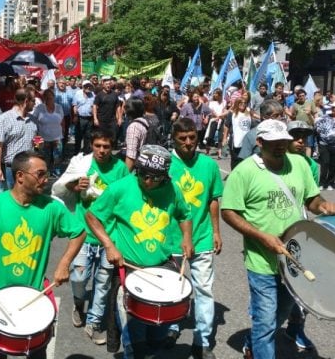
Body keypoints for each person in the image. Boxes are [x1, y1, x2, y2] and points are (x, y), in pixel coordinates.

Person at [221, 120, 335, 359]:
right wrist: (261, 236)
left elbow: (311, 201)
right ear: (260, 142)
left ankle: (252, 342)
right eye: (274, 143)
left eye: (283, 142)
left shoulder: (300, 164)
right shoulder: (244, 171)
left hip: (294, 258)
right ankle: (260, 348)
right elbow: (229, 211)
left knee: (282, 313)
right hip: (261, 261)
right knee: (265, 320)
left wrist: (323, 206)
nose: (280, 147)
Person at [0, 151, 86, 359]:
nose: (46, 179)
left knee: (37, 353)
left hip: (35, 298)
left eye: (47, 174)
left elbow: (79, 231)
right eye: (40, 174)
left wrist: (64, 263)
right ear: (20, 176)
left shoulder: (51, 207)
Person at [85, 145, 194, 359]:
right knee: (134, 338)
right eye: (143, 175)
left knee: (158, 330)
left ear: (165, 176)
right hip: (129, 268)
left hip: (162, 265)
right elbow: (92, 216)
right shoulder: (120, 188)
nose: (148, 181)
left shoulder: (172, 189)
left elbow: (185, 214)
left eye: (155, 177)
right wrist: (109, 244)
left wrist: (187, 238)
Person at [52, 129, 129, 345]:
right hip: (83, 234)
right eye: (98, 146)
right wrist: (75, 186)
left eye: (106, 146)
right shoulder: (82, 164)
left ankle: (94, 323)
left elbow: (127, 197)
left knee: (103, 283)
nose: (102, 151)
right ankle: (79, 303)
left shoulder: (121, 168)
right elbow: (61, 187)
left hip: (109, 235)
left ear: (112, 147)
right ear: (91, 146)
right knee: (78, 278)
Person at [168, 118, 223, 359]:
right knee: (172, 288)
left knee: (204, 289)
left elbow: (213, 199)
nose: (188, 143)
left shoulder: (209, 165)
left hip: (202, 237)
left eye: (192, 138)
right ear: (174, 139)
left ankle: (202, 339)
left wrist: (216, 231)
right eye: (183, 139)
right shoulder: (165, 163)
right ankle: (171, 325)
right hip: (170, 239)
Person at [281, 120, 318, 351]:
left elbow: (311, 199)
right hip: (276, 232)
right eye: (296, 135)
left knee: (302, 286)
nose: (301, 140)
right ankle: (259, 336)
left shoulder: (311, 165)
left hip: (300, 230)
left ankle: (295, 328)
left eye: (305, 136)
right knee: (277, 289)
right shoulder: (274, 162)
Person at [0, 88, 38, 189]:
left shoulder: (33, 120)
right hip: (11, 169)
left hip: (30, 168)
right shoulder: (3, 119)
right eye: (33, 100)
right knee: (11, 200)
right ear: (26, 101)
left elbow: (36, 142)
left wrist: (39, 144)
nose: (35, 103)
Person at [314, 100, 335, 190]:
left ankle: (330, 183)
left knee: (334, 165)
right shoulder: (325, 117)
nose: (332, 109)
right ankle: (321, 183)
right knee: (324, 164)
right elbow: (317, 126)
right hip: (324, 145)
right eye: (332, 107)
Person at [33, 88, 64, 177]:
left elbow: (62, 121)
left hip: (57, 137)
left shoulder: (59, 107)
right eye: (47, 97)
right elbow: (34, 121)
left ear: (54, 97)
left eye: (51, 97)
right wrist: (36, 140)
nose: (49, 99)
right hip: (41, 138)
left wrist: (63, 132)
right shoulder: (39, 108)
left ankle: (56, 170)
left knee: (57, 157)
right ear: (44, 98)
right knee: (43, 157)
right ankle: (44, 171)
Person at [223, 98, 253, 169]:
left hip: (246, 140)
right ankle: (234, 174)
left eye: (244, 103)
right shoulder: (232, 113)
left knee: (245, 160)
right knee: (235, 159)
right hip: (235, 140)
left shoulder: (248, 114)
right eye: (241, 103)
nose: (243, 104)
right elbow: (226, 126)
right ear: (237, 103)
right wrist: (224, 138)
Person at [93, 76, 122, 145]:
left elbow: (118, 107)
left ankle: (110, 152)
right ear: (103, 85)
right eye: (106, 84)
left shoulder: (114, 94)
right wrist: (95, 118)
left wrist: (120, 118)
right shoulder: (99, 95)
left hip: (112, 120)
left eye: (109, 84)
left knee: (112, 137)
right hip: (102, 119)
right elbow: (94, 107)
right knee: (102, 137)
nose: (108, 85)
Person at [73, 80, 96, 155]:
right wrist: (75, 116)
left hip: (89, 118)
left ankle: (86, 152)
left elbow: (94, 106)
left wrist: (93, 117)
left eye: (89, 86)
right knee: (78, 136)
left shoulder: (93, 94)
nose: (88, 87)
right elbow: (74, 105)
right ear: (83, 87)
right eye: (86, 86)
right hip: (80, 118)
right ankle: (76, 152)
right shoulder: (78, 93)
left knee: (88, 136)